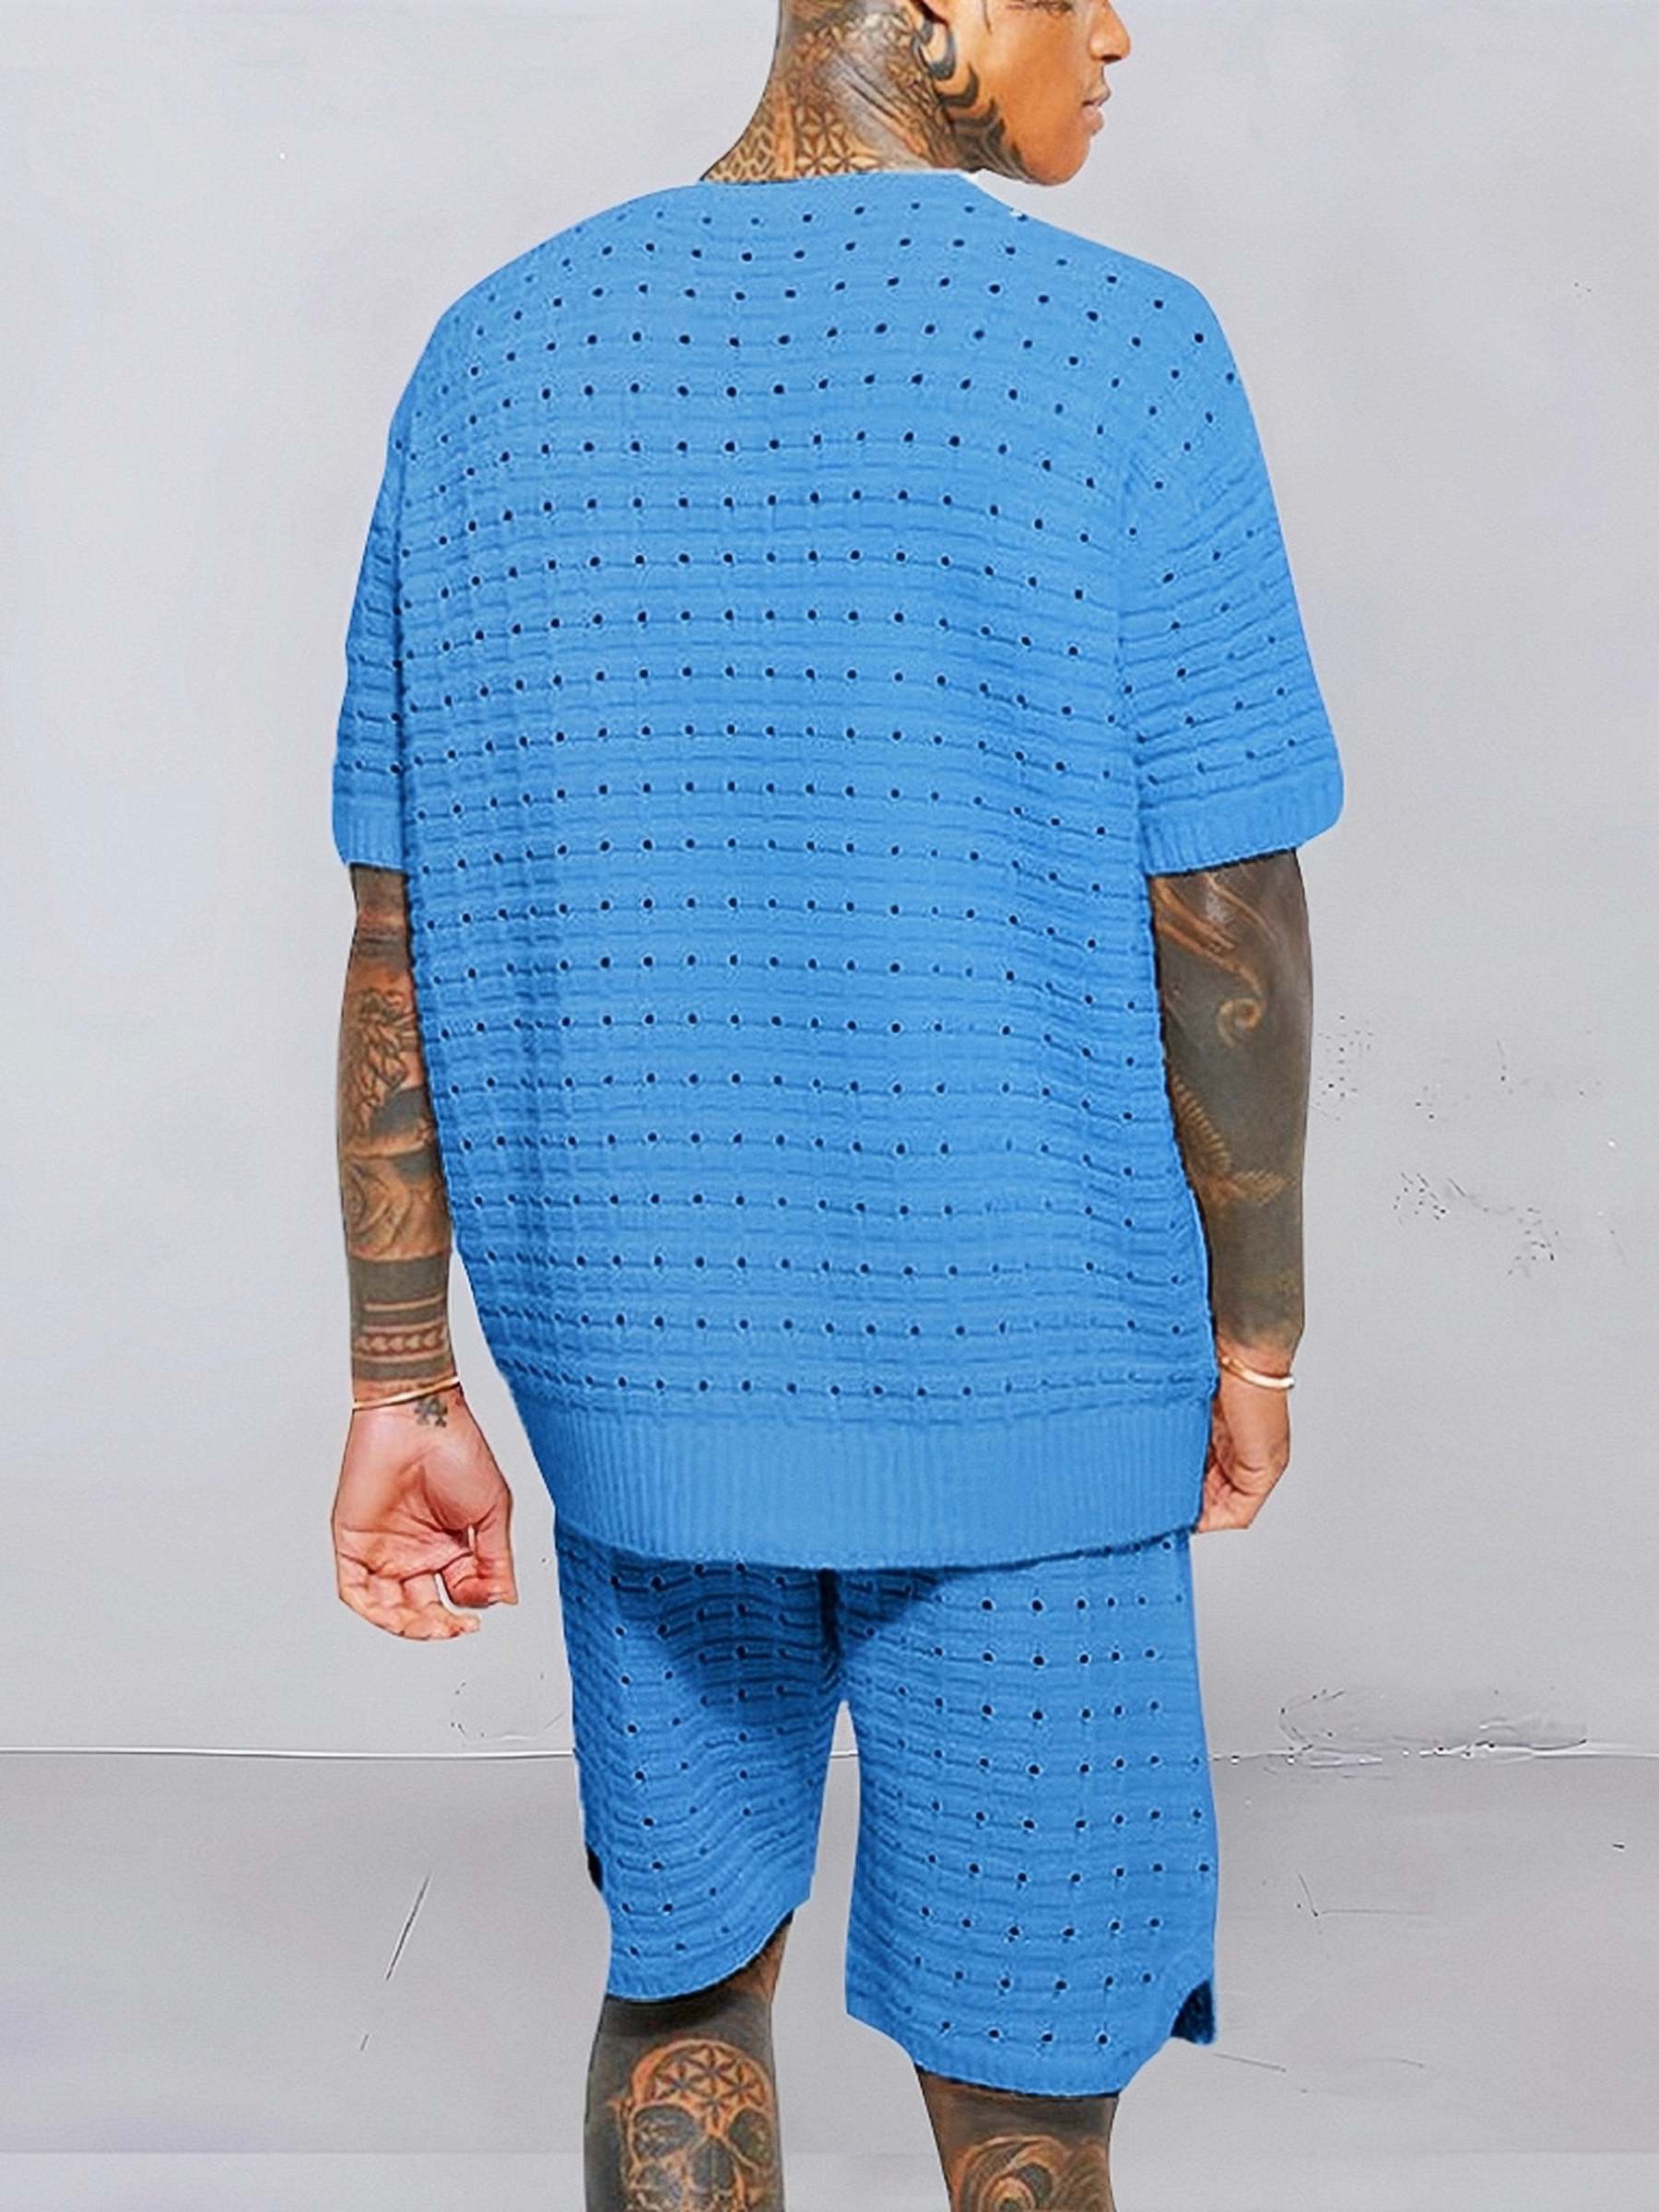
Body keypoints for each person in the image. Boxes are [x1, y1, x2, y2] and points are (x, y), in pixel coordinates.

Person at [327, 1, 1345, 2203]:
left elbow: (397, 931)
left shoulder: (493, 355)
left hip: (638, 1378)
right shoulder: (1127, 350)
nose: (1118, 33)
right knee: (1029, 2066)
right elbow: (1227, 918)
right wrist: (1256, 1329)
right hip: (1035, 1367)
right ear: (940, 9)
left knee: (681, 1984)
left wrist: (401, 1377)